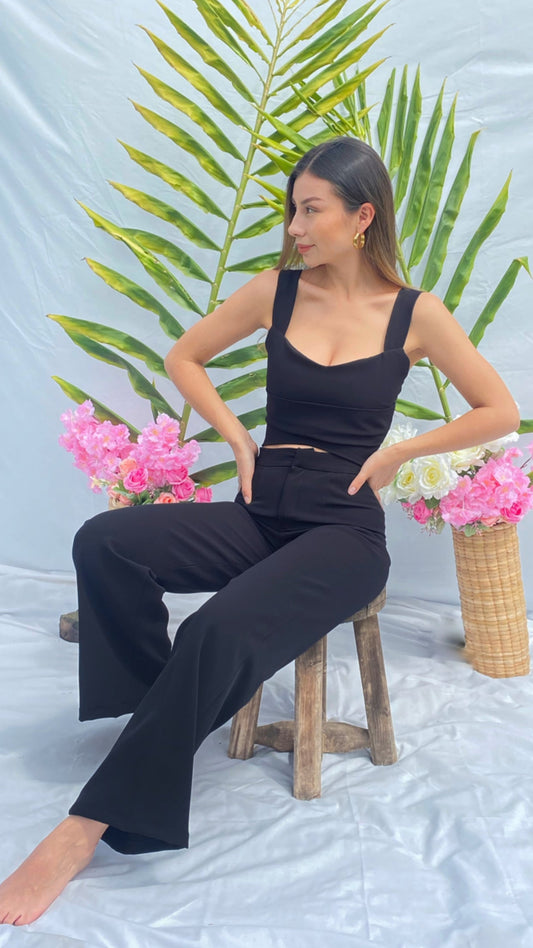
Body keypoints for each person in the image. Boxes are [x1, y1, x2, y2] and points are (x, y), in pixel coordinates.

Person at [0, 137, 519, 926]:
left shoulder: (414, 314)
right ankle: (158, 714)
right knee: (105, 543)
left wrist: (397, 453)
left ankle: (85, 828)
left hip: (343, 531)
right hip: (261, 506)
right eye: (291, 211)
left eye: (311, 210)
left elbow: (499, 409)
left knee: (213, 629)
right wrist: (238, 441)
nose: (294, 228)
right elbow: (185, 357)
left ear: (361, 217)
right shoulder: (275, 293)